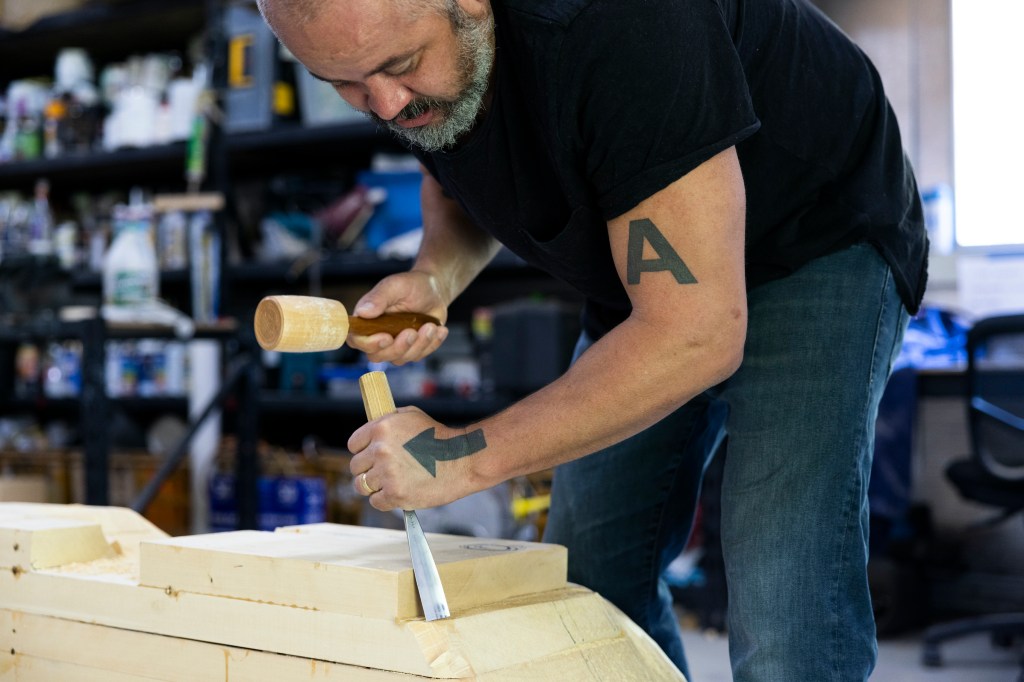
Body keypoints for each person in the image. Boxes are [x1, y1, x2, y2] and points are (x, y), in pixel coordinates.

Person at [257, 0, 928, 679]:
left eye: (400, 67)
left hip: (813, 235)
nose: (386, 103)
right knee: (586, 587)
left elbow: (695, 337)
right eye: (344, 85)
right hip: (649, 281)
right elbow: (453, 168)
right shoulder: (397, 57)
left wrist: (460, 457)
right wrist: (436, 275)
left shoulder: (626, 22)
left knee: (784, 601)